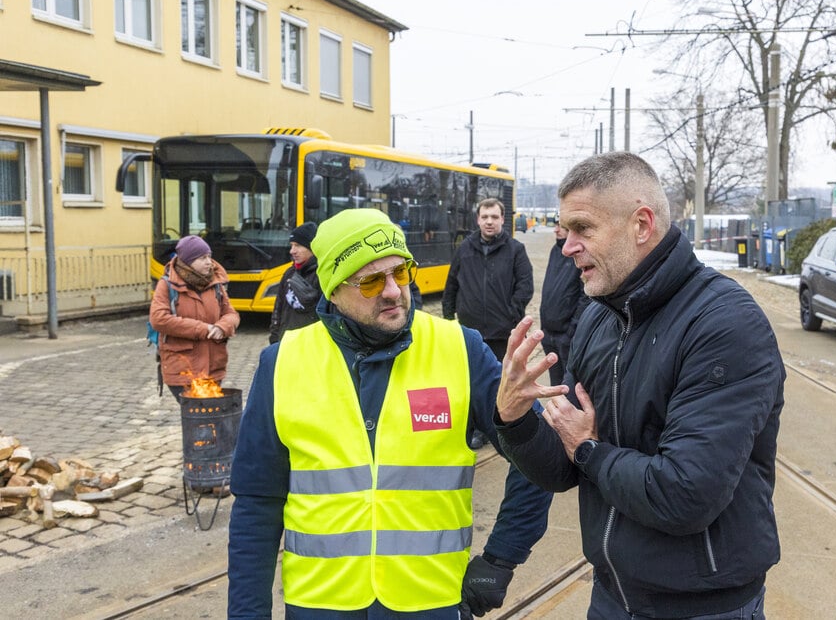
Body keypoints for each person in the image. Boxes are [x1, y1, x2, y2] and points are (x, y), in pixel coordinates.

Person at [495, 151, 785, 619]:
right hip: (613, 595)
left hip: (702, 607)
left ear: (641, 225)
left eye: (582, 229)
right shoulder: (597, 318)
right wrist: (513, 419)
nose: (567, 247)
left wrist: (590, 451)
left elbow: (685, 496)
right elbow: (562, 469)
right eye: (565, 231)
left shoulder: (724, 323)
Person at [228, 208, 554, 619]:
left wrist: (501, 559)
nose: (392, 292)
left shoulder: (459, 348)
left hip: (430, 601)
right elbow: (256, 502)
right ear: (332, 288)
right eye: (370, 280)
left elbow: (537, 460)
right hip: (321, 605)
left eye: (400, 274)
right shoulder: (283, 362)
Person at [442, 197, 533, 448]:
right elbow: (451, 283)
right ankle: (475, 427)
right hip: (470, 332)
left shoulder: (515, 250)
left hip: (501, 333)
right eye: (485, 217)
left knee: (498, 383)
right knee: (470, 383)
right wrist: (449, 316)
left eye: (494, 217)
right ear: (478, 219)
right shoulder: (465, 248)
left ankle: (497, 427)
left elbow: (525, 287)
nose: (489, 222)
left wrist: (511, 315)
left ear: (503, 219)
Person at [148, 235, 240, 401]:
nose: (209, 262)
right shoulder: (167, 284)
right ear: (188, 261)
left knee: (210, 418)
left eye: (209, 257)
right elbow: (159, 318)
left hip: (213, 366)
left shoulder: (216, 283)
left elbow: (231, 314)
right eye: (202, 258)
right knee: (197, 416)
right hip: (182, 368)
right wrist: (203, 329)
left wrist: (222, 327)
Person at [539, 222, 589, 386]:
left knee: (570, 387)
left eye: (560, 226)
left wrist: (571, 329)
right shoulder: (555, 250)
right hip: (548, 333)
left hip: (566, 335)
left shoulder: (579, 254)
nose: (555, 229)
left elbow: (585, 295)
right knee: (555, 386)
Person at [268, 222, 320, 344]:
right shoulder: (289, 273)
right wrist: (275, 338)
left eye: (298, 245)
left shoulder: (322, 275)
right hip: (286, 343)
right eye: (291, 245)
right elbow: (278, 309)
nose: (292, 251)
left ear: (312, 247)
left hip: (311, 345)